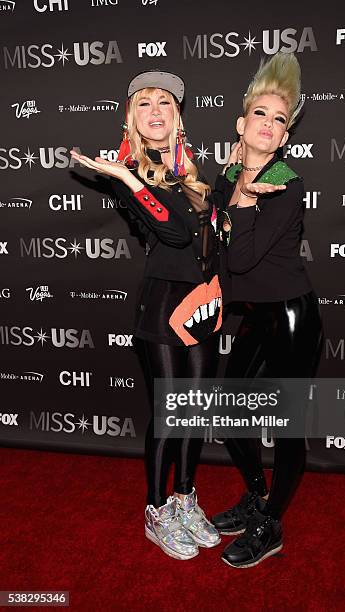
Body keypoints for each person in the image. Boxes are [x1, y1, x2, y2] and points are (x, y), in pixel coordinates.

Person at [70, 69, 221, 560]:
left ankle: (185, 499)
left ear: (178, 117)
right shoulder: (124, 173)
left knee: (196, 410)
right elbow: (173, 232)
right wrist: (127, 176)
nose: (155, 111)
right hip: (161, 305)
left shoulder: (192, 170)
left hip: (202, 300)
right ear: (131, 117)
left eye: (164, 103)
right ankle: (156, 511)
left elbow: (209, 239)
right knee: (169, 410)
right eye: (144, 104)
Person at [210, 52, 323, 568]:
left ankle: (271, 524)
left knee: (287, 425)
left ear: (284, 137)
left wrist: (245, 202)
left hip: (293, 319)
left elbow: (245, 254)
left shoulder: (283, 184)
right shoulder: (227, 174)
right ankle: (257, 495)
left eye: (280, 120)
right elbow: (220, 256)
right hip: (257, 313)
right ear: (241, 122)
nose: (269, 124)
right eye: (262, 113)